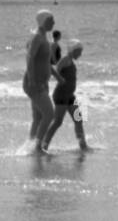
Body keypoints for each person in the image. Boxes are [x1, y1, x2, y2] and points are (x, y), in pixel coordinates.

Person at [41, 40, 89, 152]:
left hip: (70, 96)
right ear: (73, 50)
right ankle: (44, 144)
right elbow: (53, 69)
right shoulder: (65, 60)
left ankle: (83, 145)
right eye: (79, 52)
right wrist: (59, 79)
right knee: (58, 121)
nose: (80, 54)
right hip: (61, 95)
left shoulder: (71, 61)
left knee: (78, 119)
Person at [24, 10, 56, 148]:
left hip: (42, 82)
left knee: (38, 118)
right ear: (43, 21)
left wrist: (57, 76)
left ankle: (30, 145)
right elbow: (30, 58)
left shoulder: (43, 37)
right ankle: (37, 147)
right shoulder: (37, 37)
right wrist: (32, 81)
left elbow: (45, 62)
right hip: (34, 83)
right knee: (49, 114)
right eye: (51, 20)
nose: (53, 23)